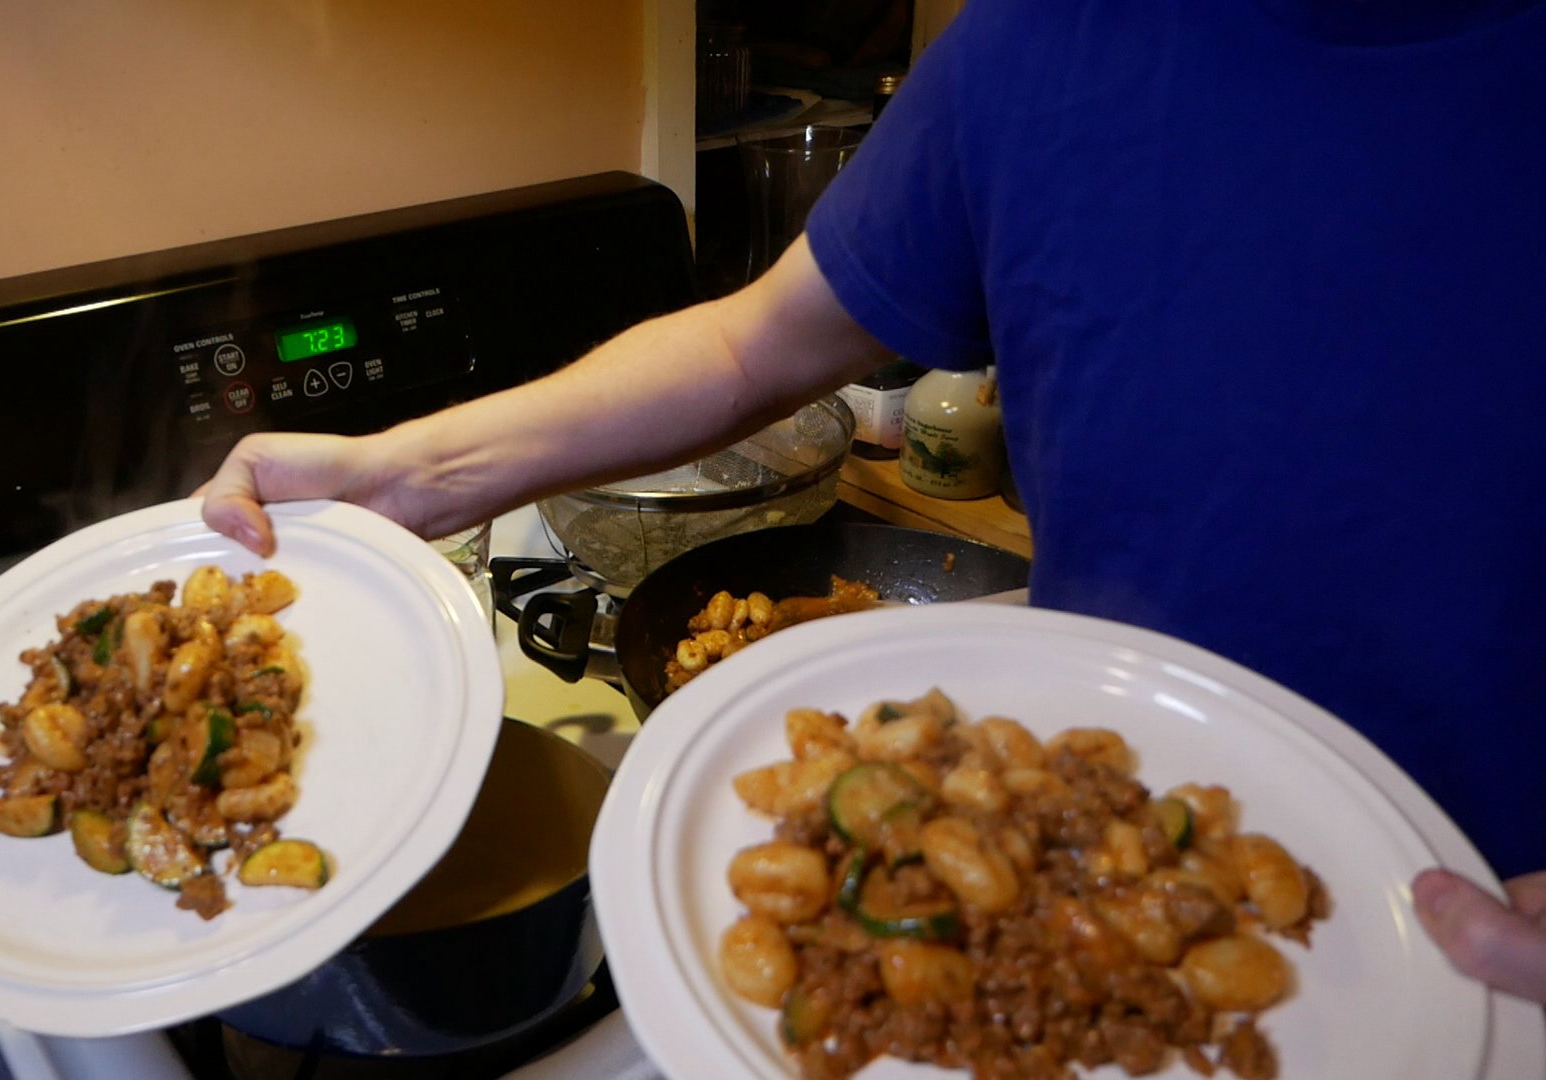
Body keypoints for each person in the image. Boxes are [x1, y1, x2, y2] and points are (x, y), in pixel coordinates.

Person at [202, 0, 1546, 1003]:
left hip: (1497, 949)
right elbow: (750, 347)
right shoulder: (1037, 47)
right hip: (1089, 879)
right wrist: (404, 472)